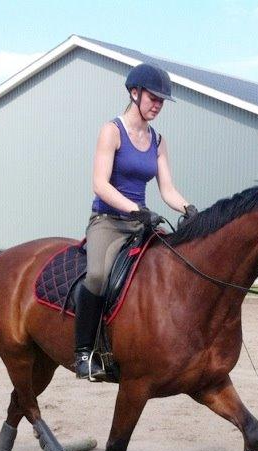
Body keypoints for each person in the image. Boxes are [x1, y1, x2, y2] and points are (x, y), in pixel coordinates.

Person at [73, 62, 197, 381]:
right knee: (98, 276)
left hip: (140, 223)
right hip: (109, 221)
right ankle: (84, 353)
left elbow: (166, 188)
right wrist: (134, 209)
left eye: (161, 101)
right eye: (153, 98)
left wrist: (188, 208)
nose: (157, 105)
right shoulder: (111, 131)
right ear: (134, 92)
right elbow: (100, 184)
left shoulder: (157, 141)